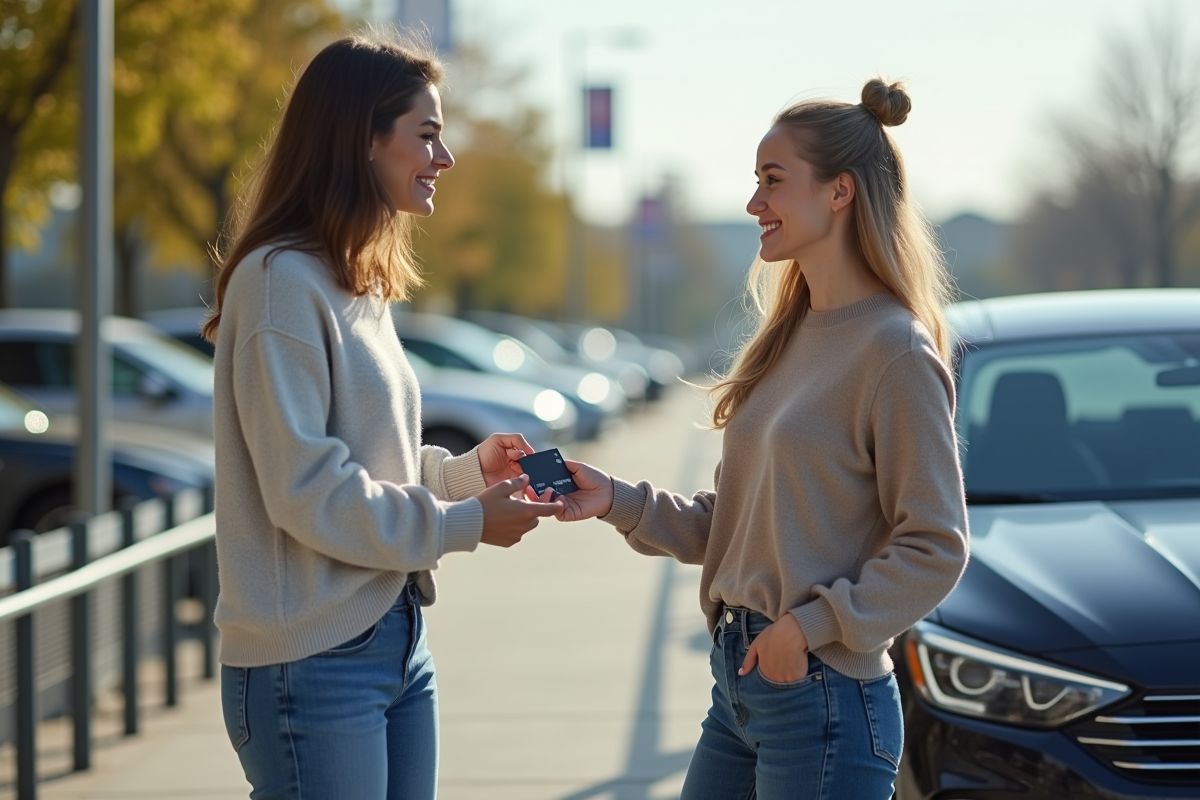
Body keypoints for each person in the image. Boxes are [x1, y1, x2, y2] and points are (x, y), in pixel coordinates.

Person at [550, 79, 969, 798]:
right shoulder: (788, 338)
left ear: (840, 193)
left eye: (772, 182)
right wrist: (617, 500)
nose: (753, 205)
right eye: (755, 183)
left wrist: (808, 628)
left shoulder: (895, 352)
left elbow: (935, 545)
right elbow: (740, 526)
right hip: (742, 684)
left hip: (822, 694)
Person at [203, 33, 560, 800]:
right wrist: (464, 525)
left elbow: (373, 464)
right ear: (361, 139)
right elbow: (308, 491)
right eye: (425, 134)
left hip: (394, 638)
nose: (445, 157)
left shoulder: (353, 280)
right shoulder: (278, 284)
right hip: (312, 663)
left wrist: (466, 475)